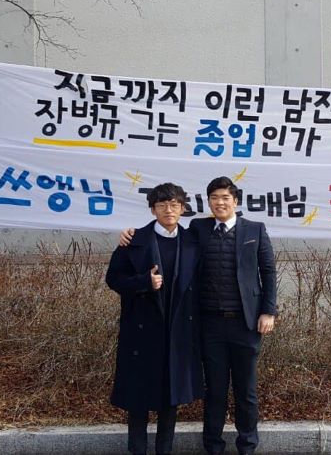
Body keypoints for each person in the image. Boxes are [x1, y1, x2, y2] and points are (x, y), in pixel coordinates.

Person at [120, 176, 277, 455]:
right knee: (215, 390)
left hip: (246, 323)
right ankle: (213, 446)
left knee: (247, 391)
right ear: (208, 202)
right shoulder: (198, 229)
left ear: (235, 201)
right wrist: (130, 235)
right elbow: (165, 235)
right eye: (214, 198)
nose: (220, 203)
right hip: (209, 323)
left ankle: (247, 445)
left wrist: (268, 311)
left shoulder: (255, 229)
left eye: (225, 198)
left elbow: (268, 272)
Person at [106, 182, 203, 455]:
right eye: (161, 205)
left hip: (177, 331)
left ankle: (164, 450)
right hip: (142, 331)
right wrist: (143, 282)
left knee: (170, 399)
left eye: (174, 205)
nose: (168, 210)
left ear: (182, 209)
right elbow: (113, 279)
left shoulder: (193, 241)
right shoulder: (134, 240)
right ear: (152, 209)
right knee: (138, 399)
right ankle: (137, 449)